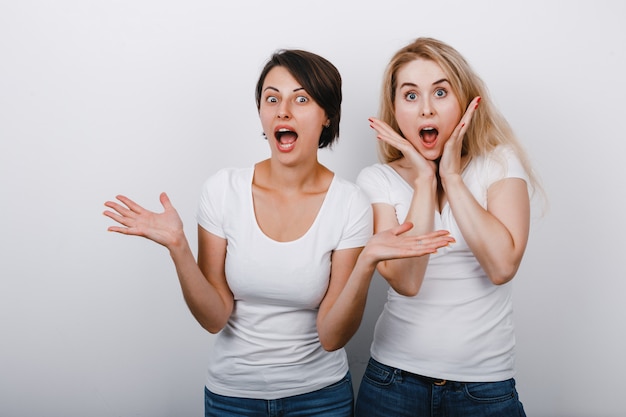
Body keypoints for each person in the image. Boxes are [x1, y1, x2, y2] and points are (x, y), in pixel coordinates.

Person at [103, 49, 455, 417]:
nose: (283, 111)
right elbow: (214, 317)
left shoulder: (349, 202)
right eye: (272, 99)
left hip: (320, 398)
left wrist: (366, 263)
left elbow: (332, 336)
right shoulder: (223, 190)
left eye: (301, 99)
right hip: (231, 397)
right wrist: (178, 248)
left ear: (327, 116)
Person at [354, 37, 542, 417]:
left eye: (440, 92)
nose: (426, 110)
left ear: (466, 101)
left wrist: (452, 177)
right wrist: (424, 179)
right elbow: (407, 282)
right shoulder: (376, 180)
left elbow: (502, 266)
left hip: (484, 389)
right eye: (410, 95)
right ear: (394, 108)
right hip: (392, 382)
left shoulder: (499, 164)